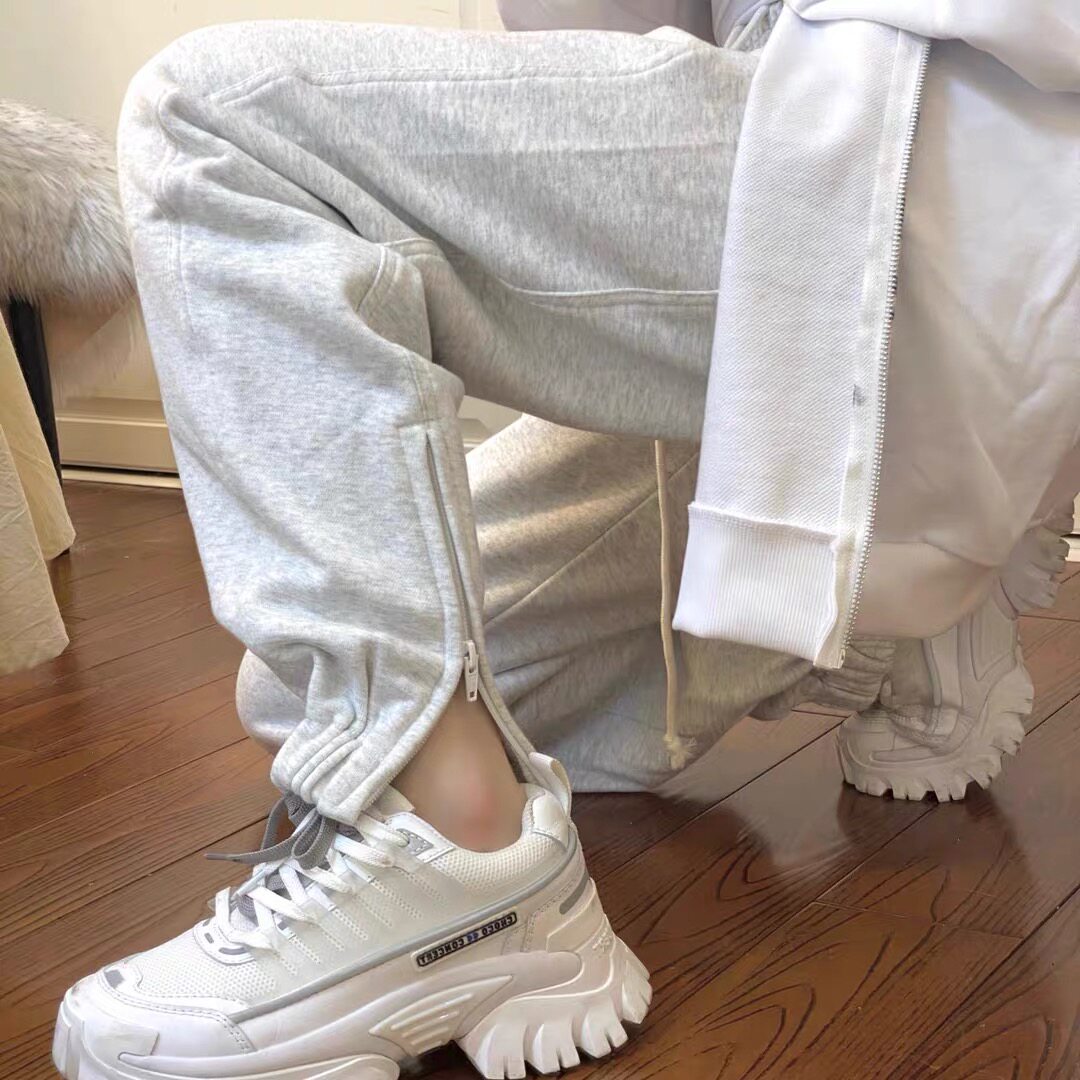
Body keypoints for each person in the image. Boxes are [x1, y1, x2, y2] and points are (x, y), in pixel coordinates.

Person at [52, 2, 1078, 1078]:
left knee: (220, 122)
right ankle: (904, 601)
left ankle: (466, 854)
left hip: (935, 137)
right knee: (304, 691)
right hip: (864, 166)